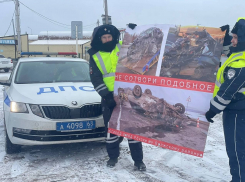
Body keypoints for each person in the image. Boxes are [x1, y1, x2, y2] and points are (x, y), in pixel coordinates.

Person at [88, 24, 146, 171]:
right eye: (104, 37)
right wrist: (107, 97)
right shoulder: (94, 54)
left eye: (110, 37)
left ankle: (138, 161)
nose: (107, 39)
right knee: (112, 129)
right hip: (109, 97)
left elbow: (139, 46)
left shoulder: (123, 47)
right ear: (100, 39)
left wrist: (134, 31)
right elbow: (95, 79)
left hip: (129, 96)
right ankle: (113, 157)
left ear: (114, 37)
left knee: (133, 130)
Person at [205, 18, 245, 182]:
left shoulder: (240, 63)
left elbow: (227, 92)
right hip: (237, 110)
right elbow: (225, 49)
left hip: (237, 113)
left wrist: (212, 110)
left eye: (235, 37)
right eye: (232, 37)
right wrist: (223, 36)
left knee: (236, 150)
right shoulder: (237, 54)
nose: (233, 41)